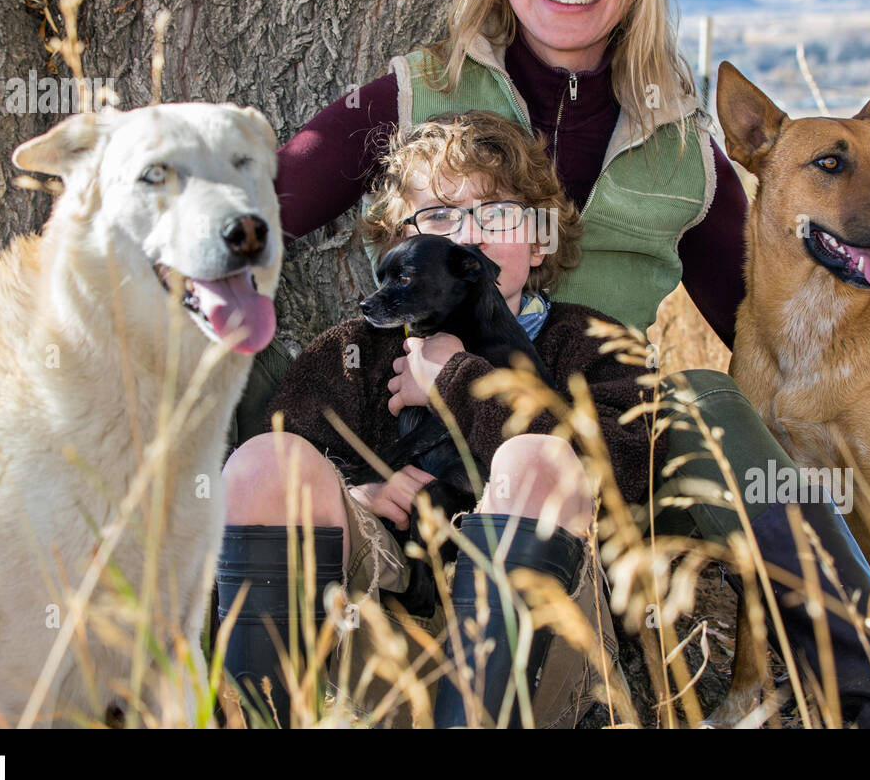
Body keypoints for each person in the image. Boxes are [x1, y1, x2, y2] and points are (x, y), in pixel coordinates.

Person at [234, 0, 870, 726]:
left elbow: (806, 320)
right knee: (241, 389)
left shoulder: (682, 143)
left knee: (714, 400)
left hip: (594, 442)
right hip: (409, 444)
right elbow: (254, 219)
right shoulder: (417, 96)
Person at [219, 112, 648, 727]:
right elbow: (294, 443)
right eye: (442, 217)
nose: (468, 238)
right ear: (401, 244)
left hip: (539, 649)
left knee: (537, 459)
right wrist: (359, 491)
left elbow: (623, 475)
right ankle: (258, 716)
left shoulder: (591, 343)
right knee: (265, 464)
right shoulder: (356, 352)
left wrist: (457, 383)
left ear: (539, 240)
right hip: (387, 643)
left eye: (496, 214)